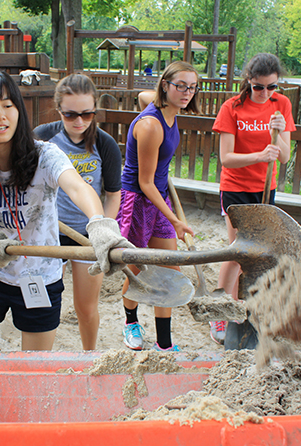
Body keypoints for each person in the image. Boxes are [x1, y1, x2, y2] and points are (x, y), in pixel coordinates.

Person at [0, 68, 133, 352]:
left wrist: (99, 224)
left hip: (41, 276)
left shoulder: (44, 154)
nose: (0, 116)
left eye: (8, 105)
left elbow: (79, 188)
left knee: (35, 365)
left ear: (18, 109)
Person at [211, 53, 295, 346]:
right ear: (248, 81)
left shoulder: (281, 104)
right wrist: (259, 155)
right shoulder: (232, 107)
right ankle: (220, 311)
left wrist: (280, 131)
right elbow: (226, 159)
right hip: (235, 187)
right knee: (238, 251)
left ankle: (247, 310)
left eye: (271, 87)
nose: (265, 93)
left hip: (264, 189)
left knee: (258, 252)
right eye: (259, 87)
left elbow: (284, 157)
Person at [33, 73, 122, 350]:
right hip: (50, 233)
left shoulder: (105, 145)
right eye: (70, 115)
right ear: (58, 108)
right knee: (42, 305)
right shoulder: (43, 138)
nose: (79, 122)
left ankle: (89, 355)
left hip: (87, 234)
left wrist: (103, 229)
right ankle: (41, 360)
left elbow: (113, 194)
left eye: (87, 114)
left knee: (85, 307)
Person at [116, 61, 197, 352]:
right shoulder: (151, 125)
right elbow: (146, 182)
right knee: (138, 270)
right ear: (165, 85)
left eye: (192, 87)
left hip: (157, 196)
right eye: (180, 86)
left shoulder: (165, 107)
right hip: (139, 200)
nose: (187, 92)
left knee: (168, 269)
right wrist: (175, 220)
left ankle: (164, 342)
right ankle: (130, 323)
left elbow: (142, 97)